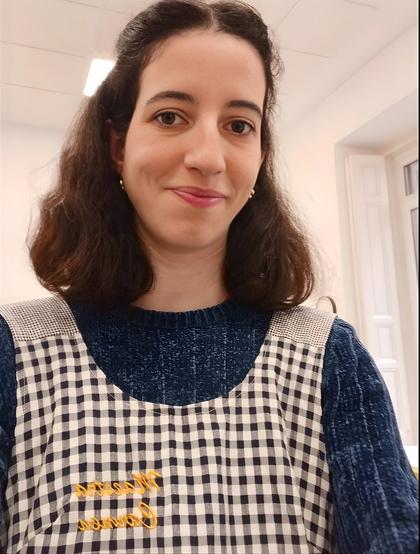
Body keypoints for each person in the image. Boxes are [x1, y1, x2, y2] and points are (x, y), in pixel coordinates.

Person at [0, 0, 418, 552]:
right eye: (170, 116)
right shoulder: (15, 351)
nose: (208, 156)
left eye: (239, 125)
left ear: (260, 155)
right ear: (118, 145)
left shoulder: (328, 358)